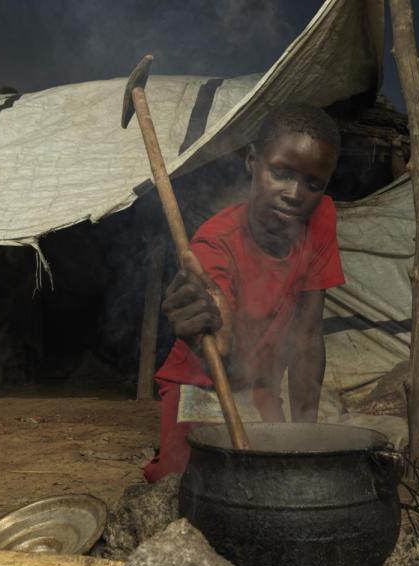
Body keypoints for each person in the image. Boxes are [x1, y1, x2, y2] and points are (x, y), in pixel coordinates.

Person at [143, 103, 344, 482]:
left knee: (281, 471)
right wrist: (215, 337)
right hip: (203, 379)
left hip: (260, 384)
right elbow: (225, 353)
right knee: (190, 483)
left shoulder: (320, 219)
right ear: (253, 160)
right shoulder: (214, 246)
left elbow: (308, 338)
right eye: (281, 173)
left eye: (313, 183)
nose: (295, 193)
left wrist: (306, 437)